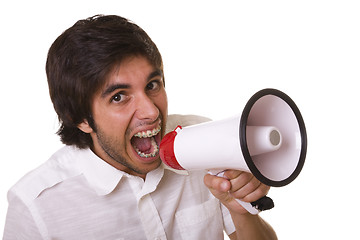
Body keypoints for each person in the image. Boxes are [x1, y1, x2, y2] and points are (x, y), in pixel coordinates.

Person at [3, 14, 277, 239]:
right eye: (119, 97)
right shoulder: (34, 205)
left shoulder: (203, 142)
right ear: (81, 119)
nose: (150, 111)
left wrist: (240, 209)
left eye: (152, 85)